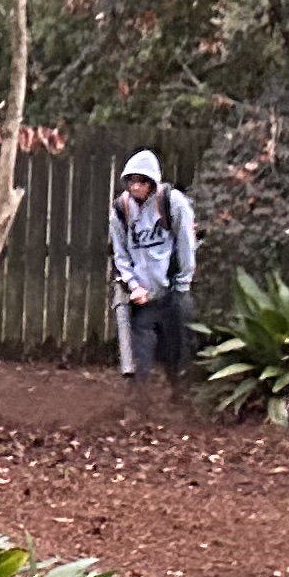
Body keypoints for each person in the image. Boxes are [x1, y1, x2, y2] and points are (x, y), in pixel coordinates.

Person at [105, 147, 197, 401]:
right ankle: (138, 405)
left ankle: (183, 401)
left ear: (152, 182)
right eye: (131, 181)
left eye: (141, 181)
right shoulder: (121, 210)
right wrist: (133, 285)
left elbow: (186, 243)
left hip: (173, 292)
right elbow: (120, 254)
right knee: (139, 356)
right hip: (142, 297)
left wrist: (182, 283)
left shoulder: (173, 203)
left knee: (178, 351)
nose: (135, 187)